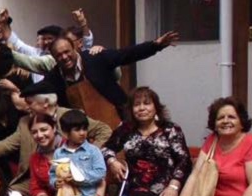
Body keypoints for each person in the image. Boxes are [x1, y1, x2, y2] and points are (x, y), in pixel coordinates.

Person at [0, 81, 111, 196]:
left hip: (68, 177)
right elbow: (9, 142)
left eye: (30, 103)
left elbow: (104, 130)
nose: (27, 107)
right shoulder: (25, 121)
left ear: (45, 103)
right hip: (34, 178)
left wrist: (87, 154)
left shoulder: (69, 116)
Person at [43, 32, 180, 129]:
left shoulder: (94, 58)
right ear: (53, 58)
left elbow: (127, 54)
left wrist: (155, 45)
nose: (64, 57)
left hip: (119, 122)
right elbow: (37, 94)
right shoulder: (54, 78)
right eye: (59, 55)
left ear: (75, 48)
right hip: (84, 135)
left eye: (67, 52)